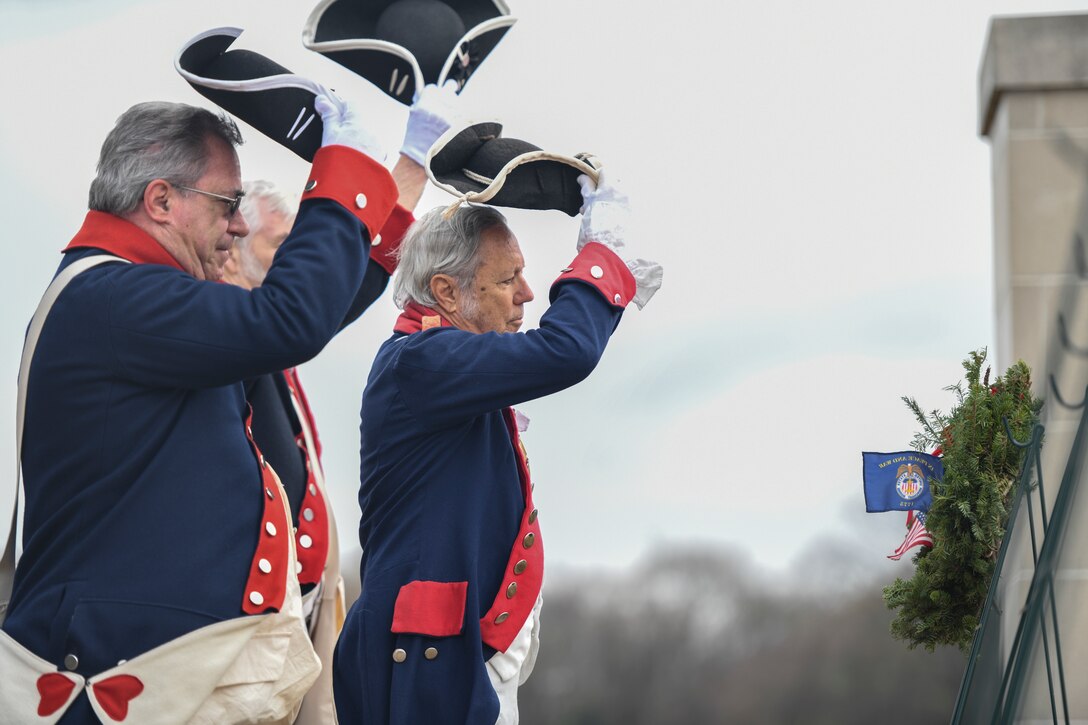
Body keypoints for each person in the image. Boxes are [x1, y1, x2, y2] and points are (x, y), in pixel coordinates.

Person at [0, 94, 397, 724]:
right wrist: (344, 164)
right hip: (140, 671)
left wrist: (387, 174)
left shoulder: (125, 293)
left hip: (172, 669)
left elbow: (317, 306)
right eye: (228, 204)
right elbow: (291, 318)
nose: (237, 227)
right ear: (161, 202)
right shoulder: (114, 294)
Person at [333, 174, 662, 724]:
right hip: (429, 660)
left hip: (445, 656)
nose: (528, 294)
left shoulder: (432, 359)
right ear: (445, 292)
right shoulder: (421, 360)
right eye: (509, 279)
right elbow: (566, 351)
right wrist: (602, 256)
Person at [221, 81, 459, 725]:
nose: (303, 267)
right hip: (242, 620)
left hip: (295, 605)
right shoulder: (234, 328)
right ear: (230, 257)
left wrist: (413, 163)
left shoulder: (262, 338)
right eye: (281, 251)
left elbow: (345, 278)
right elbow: (337, 287)